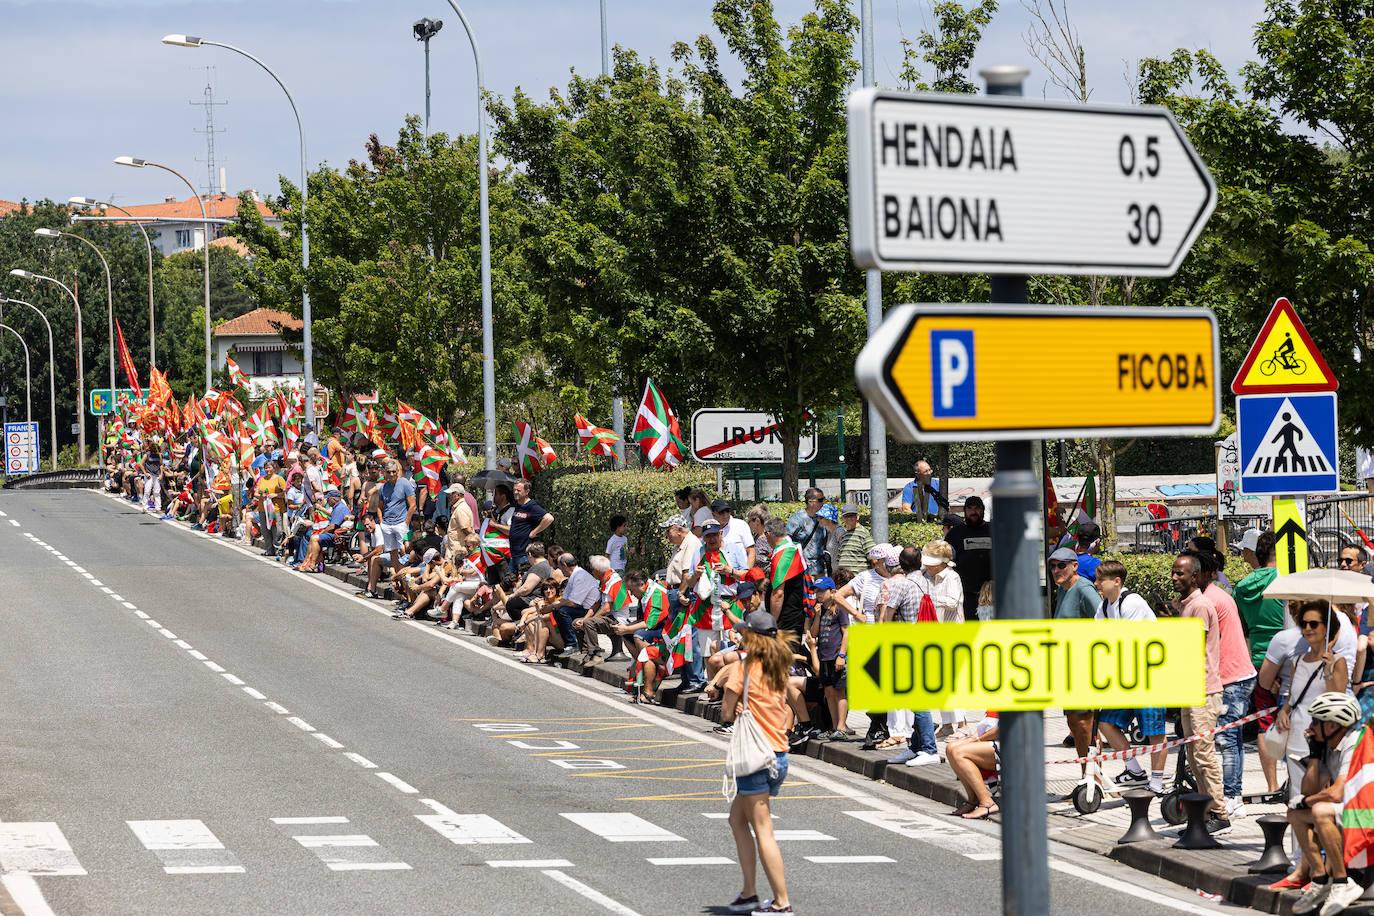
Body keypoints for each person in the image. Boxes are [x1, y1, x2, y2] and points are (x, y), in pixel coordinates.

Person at [720, 610, 795, 916]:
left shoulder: (745, 666)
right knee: (737, 820)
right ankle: (749, 892)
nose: (739, 636)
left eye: (743, 633)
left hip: (755, 756)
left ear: (751, 637)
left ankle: (781, 902)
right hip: (778, 754)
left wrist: (733, 705)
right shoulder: (780, 665)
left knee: (763, 829)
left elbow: (726, 712)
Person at [1281, 692, 1365, 915]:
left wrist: (1306, 801)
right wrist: (1315, 754)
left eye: (1316, 721)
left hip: (1366, 810)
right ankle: (1320, 879)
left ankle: (1342, 881)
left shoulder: (1354, 742)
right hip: (1354, 809)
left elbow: (1336, 793)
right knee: (1296, 815)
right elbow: (1310, 789)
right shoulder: (1329, 744)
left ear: (1331, 725)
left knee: (1320, 810)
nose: (1310, 727)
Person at [1190, 544, 1258, 819]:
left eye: (1192, 572)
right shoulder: (1211, 596)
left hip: (1231, 677)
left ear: (1205, 573)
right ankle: (1231, 794)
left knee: (1228, 740)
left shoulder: (1211, 600)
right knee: (1231, 739)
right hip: (1232, 675)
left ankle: (1232, 796)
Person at [1093, 559, 1169, 794]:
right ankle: (1134, 770)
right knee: (1106, 723)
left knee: (1155, 732)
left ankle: (1156, 782)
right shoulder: (1105, 606)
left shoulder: (1132, 602)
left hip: (1150, 677)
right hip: (1127, 678)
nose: (1096, 584)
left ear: (1116, 582)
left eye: (1100, 580)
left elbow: (1128, 641)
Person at [1171, 551, 1229, 834]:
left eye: (1180, 573)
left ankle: (1219, 812)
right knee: (1194, 756)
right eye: (1173, 572)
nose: (1174, 577)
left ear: (1194, 576)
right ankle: (1205, 813)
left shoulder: (1201, 605)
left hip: (1205, 691)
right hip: (1189, 688)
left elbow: (1191, 644)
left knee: (1204, 755)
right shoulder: (1186, 605)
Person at [1237, 529, 1291, 796]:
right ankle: (1294, 781)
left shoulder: (1241, 587)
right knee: (1294, 718)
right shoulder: (1285, 580)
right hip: (1288, 656)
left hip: (1258, 657)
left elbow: (1244, 628)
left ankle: (1270, 785)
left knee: (1264, 722)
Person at [808, 577, 851, 740]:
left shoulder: (839, 608)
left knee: (840, 691)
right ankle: (834, 726)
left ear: (832, 592)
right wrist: (817, 615)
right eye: (816, 591)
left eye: (821, 591)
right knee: (829, 691)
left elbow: (846, 632)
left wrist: (842, 654)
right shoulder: (820, 610)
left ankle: (841, 725)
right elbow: (813, 633)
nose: (818, 594)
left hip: (836, 656)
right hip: (824, 656)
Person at [945, 496, 992, 621]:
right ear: (965, 511)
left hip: (991, 594)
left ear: (983, 510)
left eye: (977, 508)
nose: (973, 512)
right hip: (964, 593)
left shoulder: (994, 530)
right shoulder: (955, 534)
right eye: (970, 508)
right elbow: (947, 560)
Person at [945, 716, 1001, 820]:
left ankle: (987, 803)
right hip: (995, 740)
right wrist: (972, 738)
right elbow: (988, 723)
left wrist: (977, 739)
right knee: (950, 748)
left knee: (959, 753)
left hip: (1012, 745)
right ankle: (973, 799)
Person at [763, 518, 808, 641]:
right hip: (794, 614)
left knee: (785, 658)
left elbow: (778, 594)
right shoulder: (792, 546)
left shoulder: (783, 555)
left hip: (786, 618)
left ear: (768, 534)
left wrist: (772, 623)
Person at [553, 553, 604, 658]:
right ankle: (568, 644)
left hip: (591, 609)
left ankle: (573, 645)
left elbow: (573, 603)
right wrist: (550, 606)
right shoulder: (574, 575)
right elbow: (564, 599)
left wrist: (553, 606)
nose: (559, 570)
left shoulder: (580, 576)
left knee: (562, 611)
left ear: (564, 565)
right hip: (583, 607)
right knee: (557, 610)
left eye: (560, 566)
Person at [376, 461, 417, 576]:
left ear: (398, 472)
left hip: (401, 523)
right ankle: (399, 578)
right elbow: (379, 507)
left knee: (405, 550)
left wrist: (406, 522)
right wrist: (381, 522)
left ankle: (407, 578)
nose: (392, 474)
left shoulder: (405, 484)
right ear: (385, 473)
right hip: (387, 524)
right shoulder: (383, 488)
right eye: (389, 472)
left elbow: (412, 505)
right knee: (393, 552)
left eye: (394, 471)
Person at [508, 479, 553, 571]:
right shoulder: (518, 505)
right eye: (514, 490)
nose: (515, 492)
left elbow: (549, 518)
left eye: (518, 490)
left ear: (527, 491)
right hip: (514, 553)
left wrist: (534, 532)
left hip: (524, 554)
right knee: (510, 581)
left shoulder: (531, 506)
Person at [785, 488, 827, 578]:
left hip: (820, 569)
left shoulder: (823, 519)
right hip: (802, 569)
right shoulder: (797, 518)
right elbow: (787, 541)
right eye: (820, 500)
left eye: (824, 499)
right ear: (811, 502)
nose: (823, 502)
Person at [834, 504, 874, 576]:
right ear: (843, 518)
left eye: (852, 515)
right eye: (846, 516)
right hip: (845, 580)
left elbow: (873, 557)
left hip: (859, 580)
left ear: (857, 517)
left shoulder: (863, 533)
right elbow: (839, 557)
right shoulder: (845, 535)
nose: (849, 518)